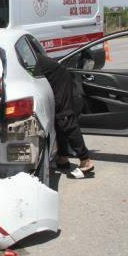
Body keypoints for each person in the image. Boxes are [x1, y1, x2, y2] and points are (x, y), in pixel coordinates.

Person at [33, 50, 94, 179]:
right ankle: (63, 158)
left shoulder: (19, 54)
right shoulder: (24, 53)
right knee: (58, 121)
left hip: (59, 81)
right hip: (55, 80)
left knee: (65, 119)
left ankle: (86, 162)